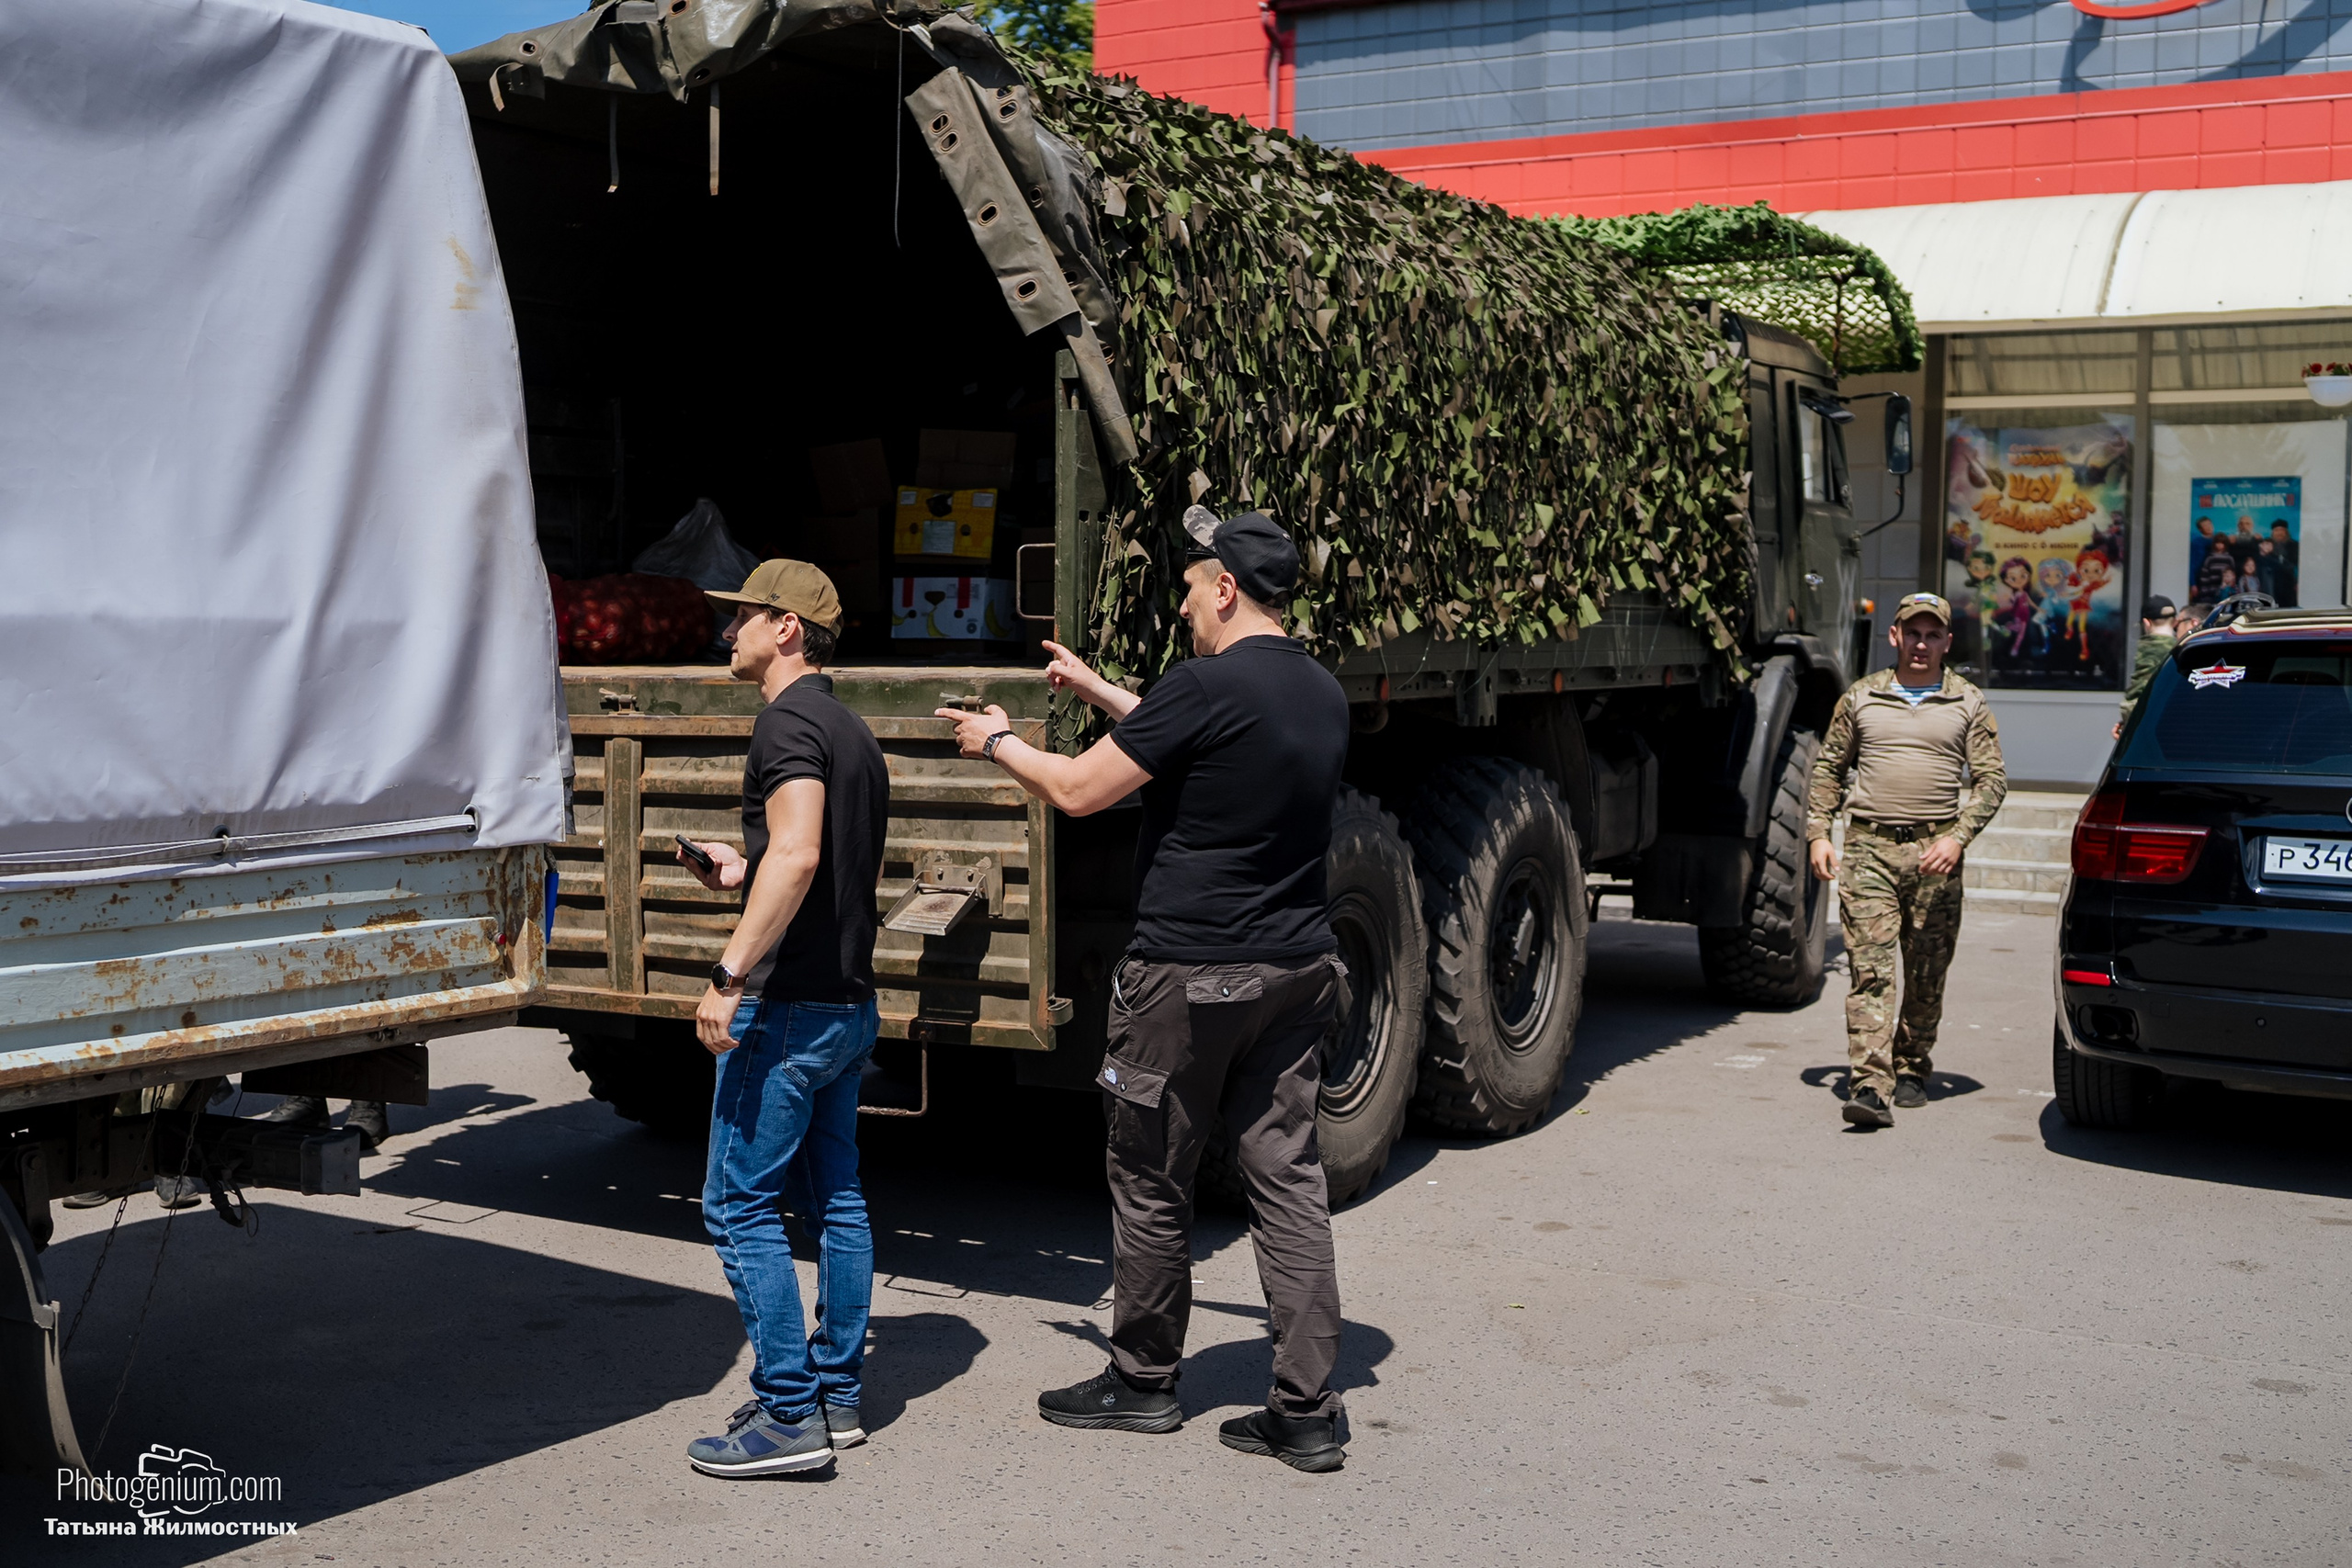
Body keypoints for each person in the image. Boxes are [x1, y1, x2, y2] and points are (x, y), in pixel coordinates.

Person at [936, 505, 1353, 1474]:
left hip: (1189, 977)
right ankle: (1304, 1411)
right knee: (1286, 1181)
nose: (1181, 609)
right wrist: (1096, 688)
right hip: (1294, 971)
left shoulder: (1204, 686)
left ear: (1225, 588)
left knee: (1152, 1176)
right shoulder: (1318, 692)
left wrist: (997, 743)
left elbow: (1081, 789)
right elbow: (1202, 736)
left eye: (1187, 589)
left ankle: (1142, 1382)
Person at [673, 559, 888, 1480]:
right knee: (834, 1196)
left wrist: (729, 973)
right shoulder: (849, 728)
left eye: (744, 619)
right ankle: (835, 1396)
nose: (730, 634)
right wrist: (737, 869)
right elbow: (804, 857)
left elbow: (798, 857)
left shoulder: (784, 722)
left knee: (737, 1205)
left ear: (787, 628)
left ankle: (788, 1418)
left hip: (790, 1009)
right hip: (847, 1004)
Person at [1806, 592, 2007, 1130]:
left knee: (1925, 973)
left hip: (1934, 855)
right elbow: (1827, 769)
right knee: (1870, 972)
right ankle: (1870, 1086)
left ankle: (1913, 1065)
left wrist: (1959, 837)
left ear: (1947, 642)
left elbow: (1992, 781)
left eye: (1932, 634)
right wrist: (1818, 835)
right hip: (1868, 849)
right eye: (1912, 633)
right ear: (1894, 636)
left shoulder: (1967, 702)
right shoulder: (1860, 697)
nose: (1922, 644)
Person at [2115, 594, 2177, 739]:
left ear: (2146, 623)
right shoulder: (2184, 648)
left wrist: (2127, 724)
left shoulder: (2149, 648)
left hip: (2151, 729)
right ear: (2174, 622)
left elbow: (2137, 695)